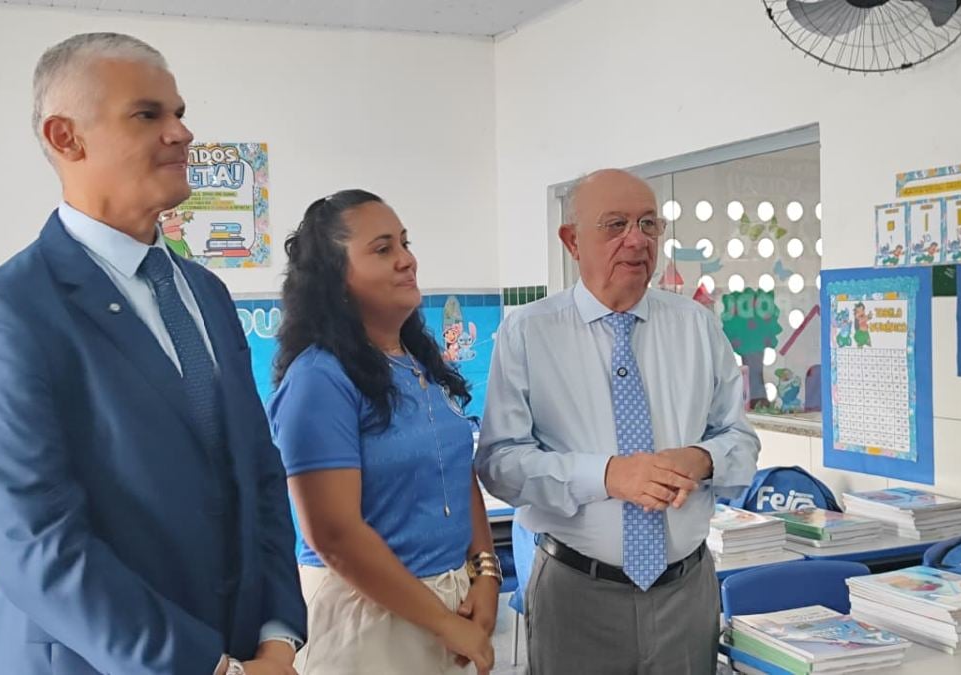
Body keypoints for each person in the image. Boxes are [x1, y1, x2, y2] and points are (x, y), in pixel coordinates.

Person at [0, 32, 305, 675]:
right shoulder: (5, 311)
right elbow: (34, 542)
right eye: (148, 114)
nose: (182, 133)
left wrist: (278, 636)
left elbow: (259, 470)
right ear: (66, 137)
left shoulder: (205, 292)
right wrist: (208, 667)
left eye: (180, 112)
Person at [476, 169, 760, 674]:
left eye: (649, 224)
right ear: (572, 241)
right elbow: (500, 463)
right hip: (576, 593)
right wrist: (607, 475)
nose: (637, 239)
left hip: (686, 591)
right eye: (615, 225)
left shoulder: (696, 325)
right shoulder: (528, 333)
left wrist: (700, 459)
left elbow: (739, 438)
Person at [267, 190, 499, 675]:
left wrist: (485, 572)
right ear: (336, 279)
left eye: (405, 243)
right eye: (383, 248)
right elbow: (333, 533)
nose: (406, 260)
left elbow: (456, 469)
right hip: (367, 618)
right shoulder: (320, 379)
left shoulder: (419, 365)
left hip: (447, 606)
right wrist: (441, 621)